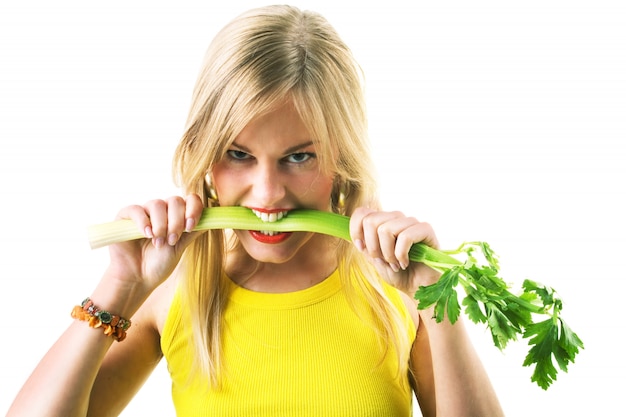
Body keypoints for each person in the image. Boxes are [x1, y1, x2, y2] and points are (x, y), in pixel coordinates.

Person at [8, 5, 504, 417]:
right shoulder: (174, 290)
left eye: (299, 157)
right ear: (203, 151)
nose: (267, 194)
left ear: (343, 158)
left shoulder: (395, 293)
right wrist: (120, 286)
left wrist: (435, 300)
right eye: (238, 154)